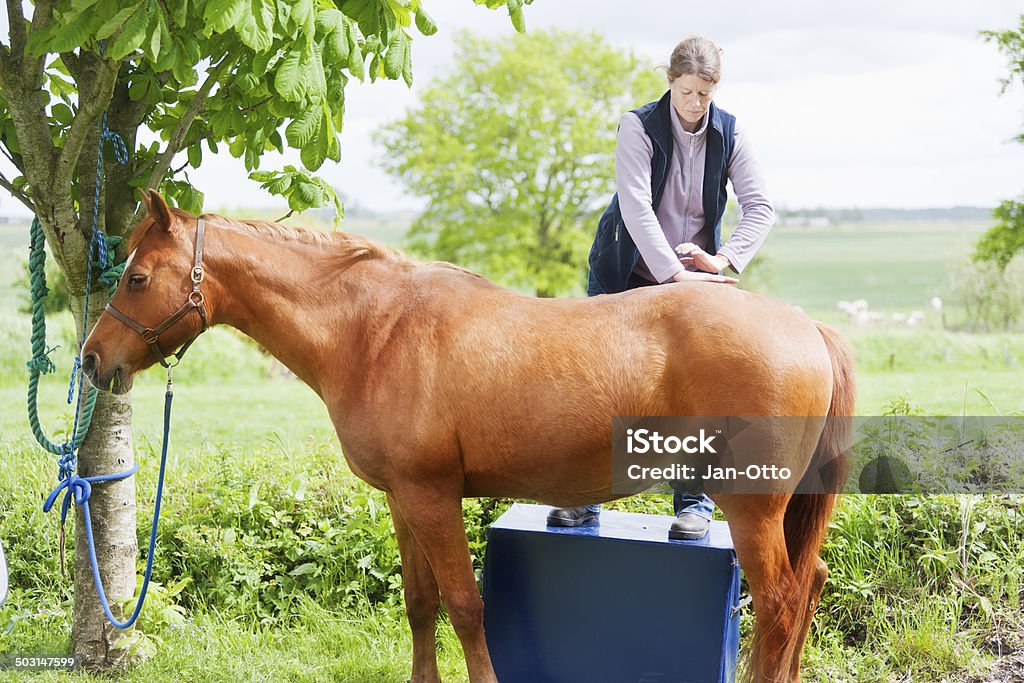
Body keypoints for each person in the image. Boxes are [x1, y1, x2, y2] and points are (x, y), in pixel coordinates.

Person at [547, 35, 775, 540]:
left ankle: (693, 504)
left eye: (705, 95)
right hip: (626, 266)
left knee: (697, 393)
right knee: (602, 388)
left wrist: (723, 259)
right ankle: (585, 502)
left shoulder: (731, 135)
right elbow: (635, 205)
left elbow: (761, 207)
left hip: (694, 278)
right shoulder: (638, 126)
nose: (695, 105)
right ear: (670, 81)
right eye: (686, 92)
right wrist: (673, 276)